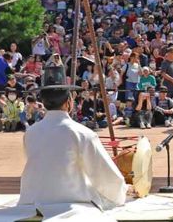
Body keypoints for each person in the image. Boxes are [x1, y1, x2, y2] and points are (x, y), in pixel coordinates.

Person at [19, 63, 127, 212]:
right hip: (72, 203)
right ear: (68, 102)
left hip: (32, 202)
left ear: (43, 103)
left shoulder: (30, 132)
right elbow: (106, 178)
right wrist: (122, 192)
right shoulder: (83, 134)